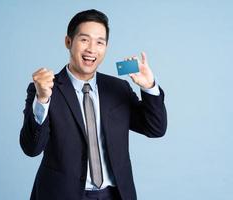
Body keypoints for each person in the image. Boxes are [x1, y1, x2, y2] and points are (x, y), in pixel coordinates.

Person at [20, 9, 167, 200]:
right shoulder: (45, 88)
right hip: (62, 194)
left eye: (100, 42)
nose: (91, 49)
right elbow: (31, 148)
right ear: (68, 42)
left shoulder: (118, 88)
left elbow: (155, 128)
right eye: (84, 39)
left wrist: (149, 87)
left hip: (114, 194)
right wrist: (42, 100)